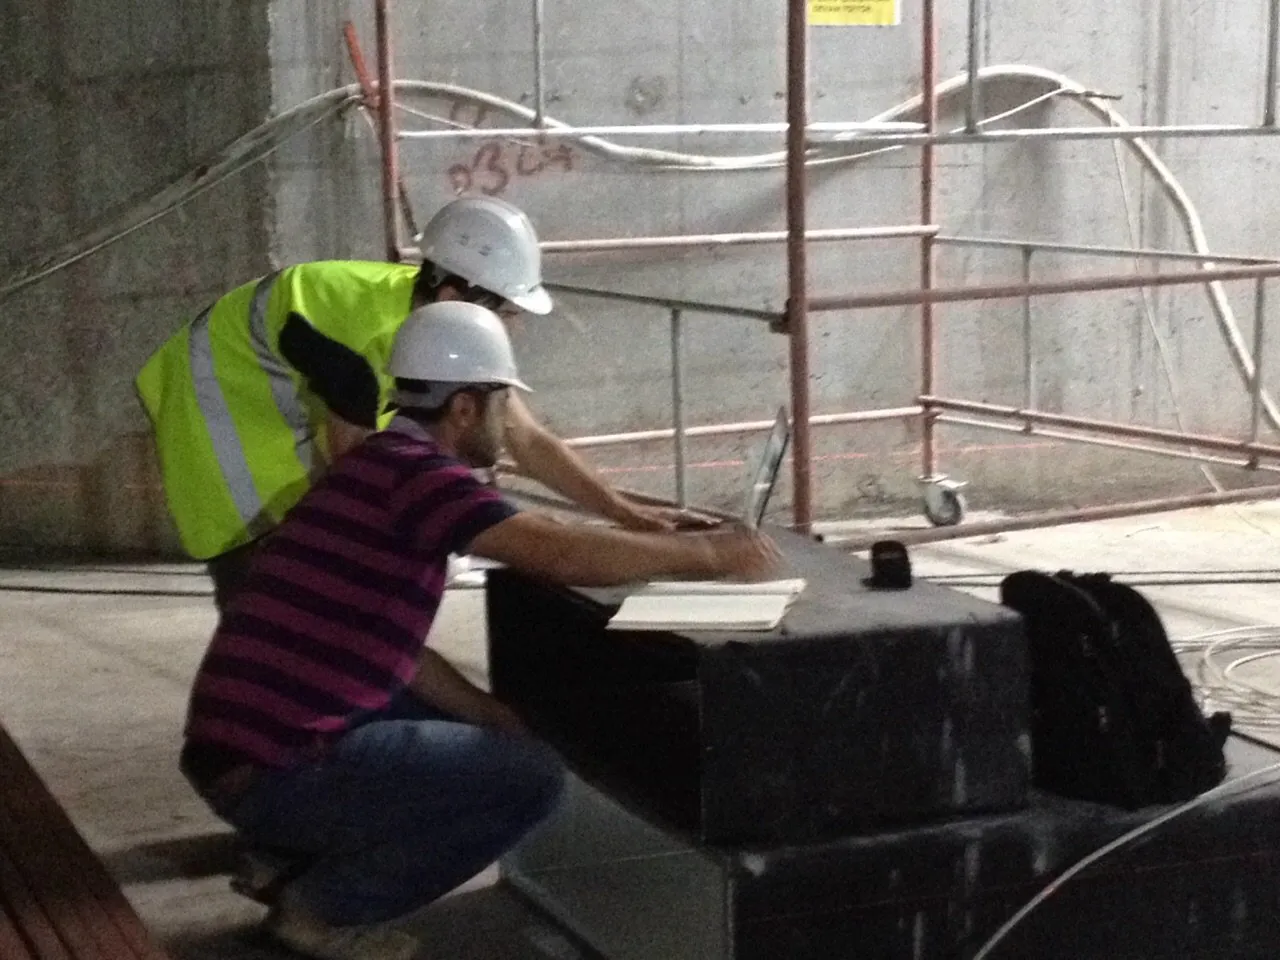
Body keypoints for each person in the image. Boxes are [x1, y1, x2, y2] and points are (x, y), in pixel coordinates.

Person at [179, 300, 780, 960]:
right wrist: (713, 556)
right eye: (500, 404)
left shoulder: (377, 462)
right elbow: (557, 552)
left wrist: (492, 713)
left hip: (236, 751)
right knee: (529, 779)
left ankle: (284, 858)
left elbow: (394, 655)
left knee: (488, 734)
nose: (508, 424)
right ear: (464, 408)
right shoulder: (425, 479)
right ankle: (318, 909)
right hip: (273, 770)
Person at [135, 195, 696, 614]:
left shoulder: (435, 325)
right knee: (269, 567)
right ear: (454, 293)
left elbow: (523, 437)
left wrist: (624, 513)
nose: (514, 327)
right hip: (221, 400)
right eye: (507, 309)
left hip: (283, 395)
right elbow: (357, 475)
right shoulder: (372, 337)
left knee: (340, 558)